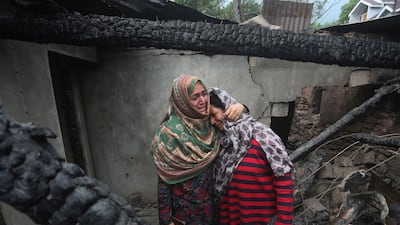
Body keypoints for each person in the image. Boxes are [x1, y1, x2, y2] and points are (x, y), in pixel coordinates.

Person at [151, 74, 245, 225]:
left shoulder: (210, 123)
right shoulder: (168, 134)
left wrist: (242, 107)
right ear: (182, 101)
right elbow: (164, 181)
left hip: (215, 211)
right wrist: (166, 220)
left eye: (203, 94)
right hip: (184, 214)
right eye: (195, 97)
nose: (203, 101)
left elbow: (242, 128)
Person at [208, 87, 295, 225]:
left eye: (214, 114)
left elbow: (283, 178)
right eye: (209, 119)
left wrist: (283, 221)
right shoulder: (222, 143)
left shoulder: (263, 136)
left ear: (227, 109)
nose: (212, 122)